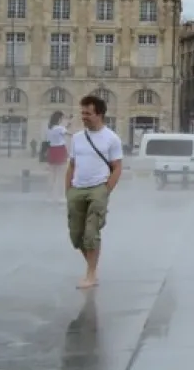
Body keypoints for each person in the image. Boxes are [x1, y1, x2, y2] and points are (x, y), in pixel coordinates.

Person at [65, 94, 122, 289]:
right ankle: (91, 268)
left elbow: (117, 167)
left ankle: (90, 274)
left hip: (98, 188)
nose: (84, 116)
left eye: (88, 113)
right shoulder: (78, 138)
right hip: (77, 188)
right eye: (82, 113)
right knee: (76, 235)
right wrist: (68, 190)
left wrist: (106, 191)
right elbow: (71, 165)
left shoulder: (111, 139)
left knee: (91, 233)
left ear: (99, 114)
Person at [45, 112, 70, 201]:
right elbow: (70, 134)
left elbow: (49, 139)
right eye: (63, 118)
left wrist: (66, 126)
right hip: (60, 150)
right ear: (59, 119)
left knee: (52, 175)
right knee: (62, 175)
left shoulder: (49, 128)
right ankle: (61, 196)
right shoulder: (60, 128)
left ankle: (50, 196)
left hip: (51, 150)